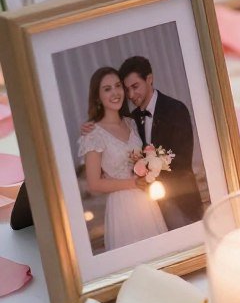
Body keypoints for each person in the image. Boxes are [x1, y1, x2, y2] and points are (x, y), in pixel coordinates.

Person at [78, 67, 167, 251]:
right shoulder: (93, 134)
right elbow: (93, 184)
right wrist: (134, 183)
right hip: (122, 206)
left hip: (147, 202)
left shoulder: (131, 122)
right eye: (107, 88)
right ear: (97, 96)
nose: (115, 92)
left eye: (118, 86)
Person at [119, 56, 205, 229]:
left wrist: (150, 168)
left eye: (135, 87)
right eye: (127, 89)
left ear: (149, 79)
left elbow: (182, 159)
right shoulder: (131, 120)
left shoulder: (176, 109)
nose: (131, 95)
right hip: (148, 208)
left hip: (181, 199)